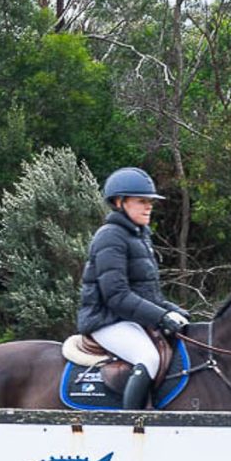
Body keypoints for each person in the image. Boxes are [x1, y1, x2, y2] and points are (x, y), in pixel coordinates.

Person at [77, 167, 190, 410]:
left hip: (129, 319)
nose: (149, 206)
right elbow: (116, 296)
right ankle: (129, 424)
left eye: (150, 201)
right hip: (106, 320)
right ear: (120, 202)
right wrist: (161, 317)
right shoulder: (110, 236)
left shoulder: (139, 236)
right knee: (148, 357)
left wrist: (172, 310)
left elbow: (147, 293)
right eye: (142, 201)